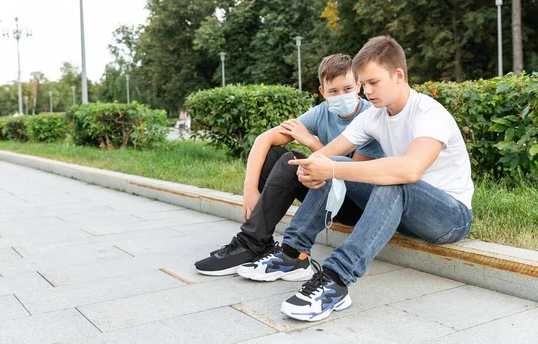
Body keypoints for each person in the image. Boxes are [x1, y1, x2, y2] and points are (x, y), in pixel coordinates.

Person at [236, 36, 474, 322]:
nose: (367, 91)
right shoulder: (373, 116)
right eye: (364, 83)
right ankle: (293, 254)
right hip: (404, 213)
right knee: (334, 163)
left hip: (449, 217)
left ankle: (336, 279)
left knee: (391, 179)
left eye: (374, 82)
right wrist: (308, 169)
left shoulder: (429, 113)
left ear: (398, 75)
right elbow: (327, 156)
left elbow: (409, 170)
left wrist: (332, 170)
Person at [194, 54, 384, 276]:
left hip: (357, 205)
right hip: (324, 194)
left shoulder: (372, 116)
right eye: (333, 91)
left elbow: (352, 174)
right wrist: (250, 190)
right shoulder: (322, 112)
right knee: (277, 155)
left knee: (299, 162)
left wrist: (311, 141)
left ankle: (270, 248)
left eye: (347, 89)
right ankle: (256, 243)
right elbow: (264, 139)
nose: (341, 96)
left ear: (359, 86)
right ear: (323, 92)